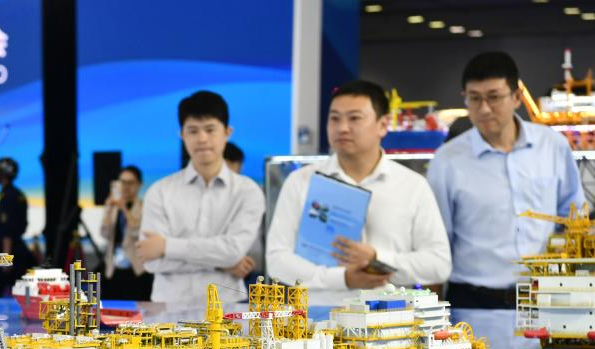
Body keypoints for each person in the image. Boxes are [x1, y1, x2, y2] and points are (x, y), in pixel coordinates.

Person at [266, 80, 451, 307]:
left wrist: (376, 259)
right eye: (334, 118)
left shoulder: (412, 186)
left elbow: (438, 264)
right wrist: (342, 278)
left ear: (383, 125)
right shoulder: (301, 181)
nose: (342, 128)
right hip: (317, 318)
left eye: (354, 118)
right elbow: (276, 260)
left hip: (391, 319)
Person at [427, 51, 585, 309]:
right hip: (473, 308)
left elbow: (574, 218)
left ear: (517, 97)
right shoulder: (446, 160)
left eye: (494, 97)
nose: (484, 109)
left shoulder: (552, 146)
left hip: (546, 304)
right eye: (474, 98)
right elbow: (436, 241)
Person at [136, 90, 264, 306]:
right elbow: (152, 261)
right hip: (168, 310)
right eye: (193, 131)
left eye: (210, 129)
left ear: (227, 132)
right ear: (182, 135)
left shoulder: (248, 191)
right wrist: (220, 263)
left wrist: (166, 246)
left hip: (226, 309)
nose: (202, 138)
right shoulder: (159, 191)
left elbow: (234, 252)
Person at [100, 165, 153, 300]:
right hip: (113, 268)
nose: (126, 187)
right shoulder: (113, 207)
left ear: (139, 184)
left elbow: (137, 233)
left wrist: (124, 209)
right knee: (111, 308)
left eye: (130, 183)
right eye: (123, 182)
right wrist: (108, 210)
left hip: (136, 269)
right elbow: (105, 234)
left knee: (137, 309)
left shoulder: (144, 206)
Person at [0, 157, 34, 296]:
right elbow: (16, 224)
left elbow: (8, 231)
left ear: (3, 174)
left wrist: (6, 257)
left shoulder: (8, 196)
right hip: (18, 253)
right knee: (23, 296)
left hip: (8, 253)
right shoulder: (17, 194)